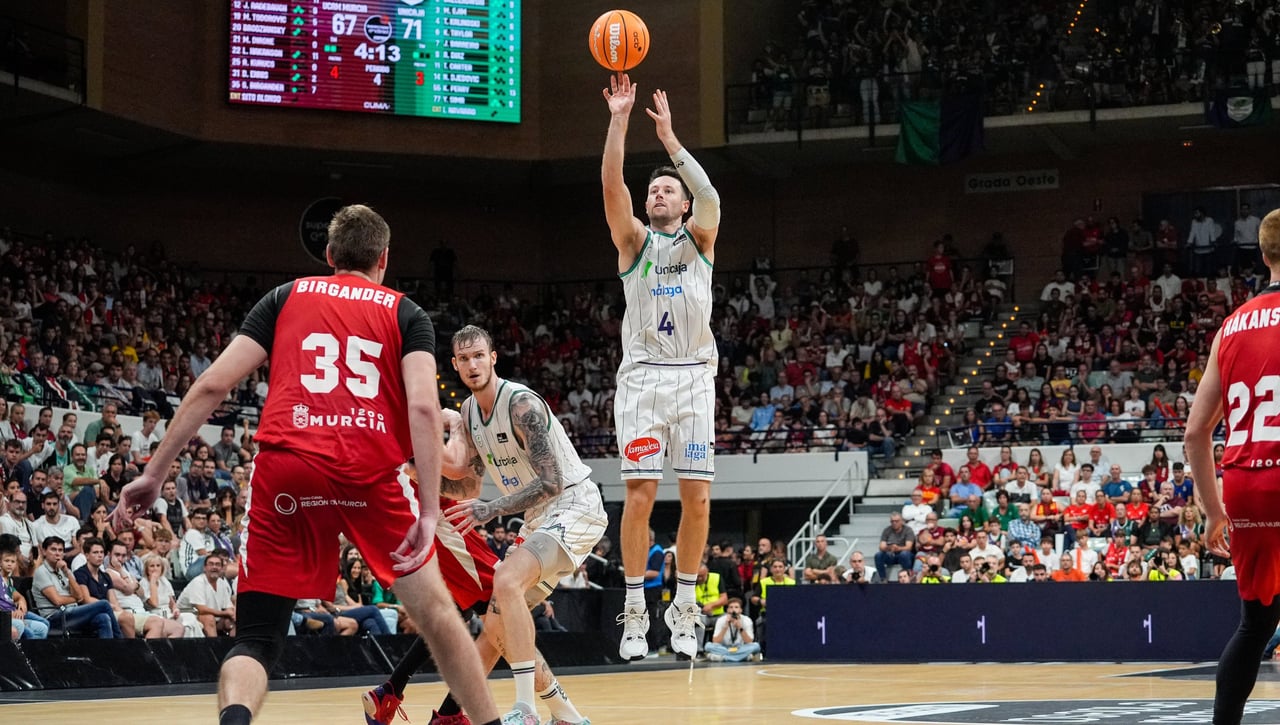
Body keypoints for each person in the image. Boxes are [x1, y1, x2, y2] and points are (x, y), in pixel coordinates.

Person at [110, 205, 500, 725]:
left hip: (288, 468)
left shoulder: (284, 297)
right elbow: (425, 407)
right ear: (384, 259)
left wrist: (155, 472)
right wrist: (429, 510)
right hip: (368, 471)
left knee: (256, 638)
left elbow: (211, 385)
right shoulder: (406, 313)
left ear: (329, 255)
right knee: (438, 617)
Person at [601, 74, 722, 661]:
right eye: (655, 191)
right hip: (645, 379)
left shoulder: (701, 239)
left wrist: (671, 140)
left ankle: (686, 603)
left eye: (668, 190)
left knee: (697, 500)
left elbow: (713, 198)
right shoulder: (634, 245)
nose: (658, 194)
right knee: (640, 494)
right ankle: (634, 606)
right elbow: (611, 186)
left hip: (696, 377)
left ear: (682, 201)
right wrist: (620, 119)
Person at [441, 325, 607, 725]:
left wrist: (492, 509)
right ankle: (565, 714)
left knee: (507, 580)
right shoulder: (467, 412)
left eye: (479, 355)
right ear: (455, 365)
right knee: (496, 628)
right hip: (537, 519)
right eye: (464, 359)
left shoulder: (520, 404)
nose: (472, 364)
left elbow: (551, 481)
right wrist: (412, 468)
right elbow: (470, 482)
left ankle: (525, 710)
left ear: (494, 357)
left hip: (573, 504)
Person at [1185, 207, 1280, 725]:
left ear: (1263, 256)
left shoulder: (1231, 325)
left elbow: (1195, 432)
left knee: (1255, 625)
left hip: (1246, 482)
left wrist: (1213, 510)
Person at [704, 597, 762, 662]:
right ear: (727, 610)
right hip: (724, 647)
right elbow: (715, 641)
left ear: (741, 610)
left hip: (740, 648)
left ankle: (723, 658)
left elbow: (749, 641)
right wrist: (725, 627)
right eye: (731, 607)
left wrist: (740, 628)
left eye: (736, 607)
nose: (733, 609)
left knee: (756, 646)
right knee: (708, 646)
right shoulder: (721, 620)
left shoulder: (747, 620)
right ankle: (743, 657)